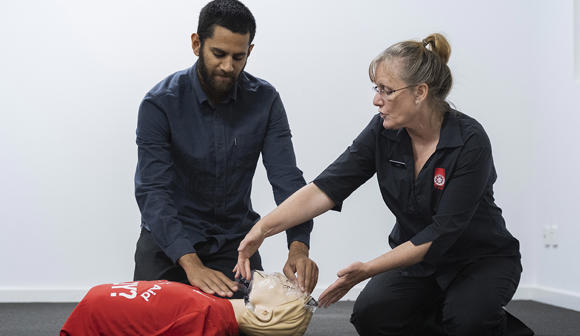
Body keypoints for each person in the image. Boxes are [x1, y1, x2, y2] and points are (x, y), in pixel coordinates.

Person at [235, 34, 534, 335]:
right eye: (376, 88)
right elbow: (327, 188)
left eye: (387, 91)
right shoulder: (383, 131)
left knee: (467, 320)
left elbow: (442, 233)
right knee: (372, 314)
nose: (376, 99)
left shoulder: (469, 141)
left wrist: (367, 270)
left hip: (479, 259)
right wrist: (262, 229)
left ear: (420, 92)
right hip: (420, 264)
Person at [133, 0, 318, 300]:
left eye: (238, 56)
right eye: (218, 54)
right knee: (154, 321)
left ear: (250, 52)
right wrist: (192, 265)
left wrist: (298, 246)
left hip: (235, 245)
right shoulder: (159, 104)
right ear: (197, 44)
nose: (228, 66)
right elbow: (154, 193)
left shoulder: (266, 101)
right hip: (169, 245)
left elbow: (287, 181)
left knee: (249, 323)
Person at [60, 271, 315, 336]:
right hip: (92, 314)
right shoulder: (211, 308)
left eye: (285, 289)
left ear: (266, 313)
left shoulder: (209, 319)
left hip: (90, 322)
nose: (284, 279)